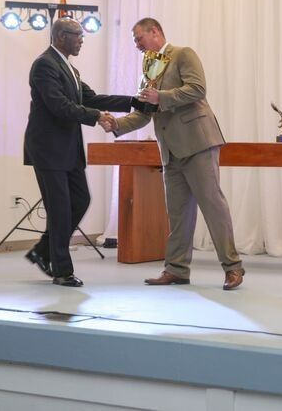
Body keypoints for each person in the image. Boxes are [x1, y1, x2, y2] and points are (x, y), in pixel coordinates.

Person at [112, 18, 245, 290]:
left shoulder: (183, 54)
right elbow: (143, 113)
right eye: (134, 40)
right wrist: (115, 124)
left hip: (197, 143)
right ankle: (176, 270)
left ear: (155, 32)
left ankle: (233, 268)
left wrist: (161, 96)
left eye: (139, 37)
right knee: (178, 213)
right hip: (170, 152)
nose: (136, 44)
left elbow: (197, 89)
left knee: (212, 205)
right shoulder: (147, 70)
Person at [23, 17, 132, 287]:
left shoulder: (69, 68)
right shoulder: (44, 65)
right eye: (78, 35)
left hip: (68, 149)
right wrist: (97, 116)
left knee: (80, 200)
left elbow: (92, 98)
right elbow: (59, 106)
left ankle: (43, 251)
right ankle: (61, 271)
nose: (82, 40)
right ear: (61, 36)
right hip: (48, 149)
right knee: (59, 210)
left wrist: (135, 101)